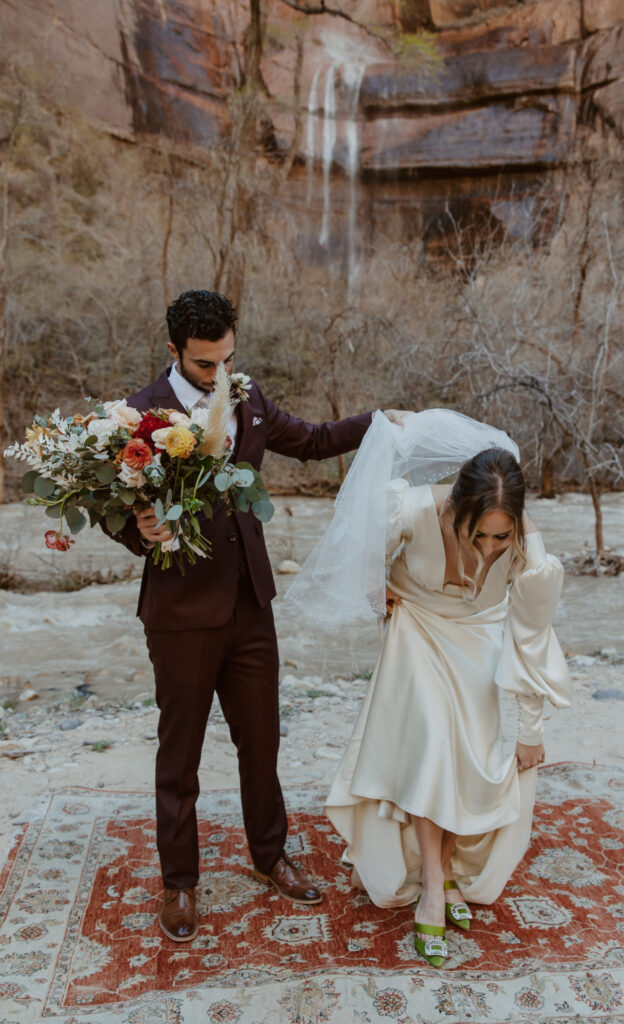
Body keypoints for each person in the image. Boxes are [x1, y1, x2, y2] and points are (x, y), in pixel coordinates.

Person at [108, 289, 406, 942]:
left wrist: (378, 423)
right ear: (173, 352)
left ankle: (270, 856)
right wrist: (139, 529)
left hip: (251, 607)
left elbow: (312, 440)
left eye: (227, 360)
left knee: (261, 744)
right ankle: (180, 884)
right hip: (181, 612)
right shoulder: (136, 415)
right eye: (204, 364)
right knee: (178, 758)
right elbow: (113, 505)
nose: (219, 375)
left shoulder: (247, 395)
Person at [289, 411, 572, 968]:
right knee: (433, 747)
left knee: (469, 764)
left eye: (502, 536)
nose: (490, 549)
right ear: (455, 510)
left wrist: (531, 731)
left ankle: (440, 872)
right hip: (416, 628)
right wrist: (377, 593)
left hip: (480, 641)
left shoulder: (530, 558)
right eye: (479, 534)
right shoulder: (412, 509)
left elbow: (532, 638)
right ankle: (436, 883)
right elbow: (359, 549)